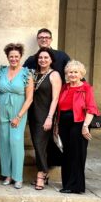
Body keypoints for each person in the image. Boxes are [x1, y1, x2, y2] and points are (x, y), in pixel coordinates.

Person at [55, 60, 100, 194]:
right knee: (66, 153)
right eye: (70, 72)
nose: (72, 74)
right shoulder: (64, 87)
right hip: (64, 124)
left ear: (81, 74)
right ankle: (67, 184)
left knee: (77, 154)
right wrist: (56, 125)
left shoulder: (86, 88)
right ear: (66, 74)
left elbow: (91, 108)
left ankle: (76, 186)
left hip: (79, 123)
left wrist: (85, 126)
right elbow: (59, 108)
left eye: (75, 72)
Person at [0, 43, 34, 189]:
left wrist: (19, 116)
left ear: (20, 57)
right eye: (11, 56)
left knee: (16, 142)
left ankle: (18, 177)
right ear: (7, 57)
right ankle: (7, 174)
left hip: (19, 111)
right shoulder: (1, 71)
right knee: (4, 142)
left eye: (16, 56)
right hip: (3, 111)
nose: (13, 59)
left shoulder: (26, 73)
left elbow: (29, 98)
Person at [28, 47, 62, 190]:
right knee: (39, 144)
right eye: (40, 58)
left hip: (45, 114)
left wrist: (49, 117)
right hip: (33, 114)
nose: (43, 60)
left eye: (46, 57)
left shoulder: (54, 75)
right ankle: (44, 171)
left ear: (51, 60)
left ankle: (41, 174)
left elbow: (55, 99)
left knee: (39, 144)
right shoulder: (34, 74)